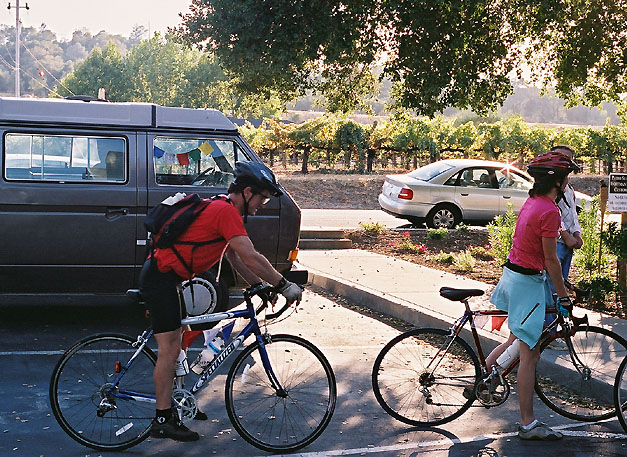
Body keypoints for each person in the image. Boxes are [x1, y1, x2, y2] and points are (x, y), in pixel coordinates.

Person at [139, 161, 303, 442]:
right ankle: (163, 419)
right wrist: (284, 284)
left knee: (179, 339)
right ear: (248, 191)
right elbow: (251, 255)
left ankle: (176, 403)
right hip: (160, 279)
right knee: (168, 350)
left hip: (167, 278)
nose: (263, 203)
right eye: (262, 197)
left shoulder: (222, 208)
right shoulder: (225, 211)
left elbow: (234, 257)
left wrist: (258, 285)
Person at [482, 150, 579, 441]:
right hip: (527, 285)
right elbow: (551, 260)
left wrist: (562, 283)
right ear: (559, 182)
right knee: (529, 356)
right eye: (566, 179)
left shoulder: (534, 202)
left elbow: (545, 243)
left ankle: (483, 379)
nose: (566, 185)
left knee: (520, 341)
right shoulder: (548, 209)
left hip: (515, 276)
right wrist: (562, 296)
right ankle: (527, 423)